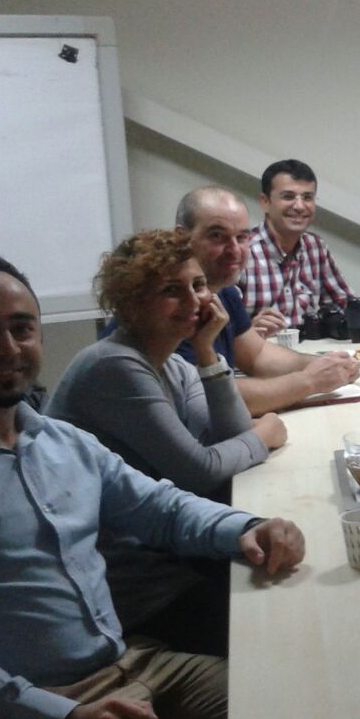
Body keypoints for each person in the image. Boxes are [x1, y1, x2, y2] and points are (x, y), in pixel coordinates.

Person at [0, 251, 305, 719]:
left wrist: (248, 527)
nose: (8, 348)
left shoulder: (62, 442)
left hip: (133, 665)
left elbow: (161, 508)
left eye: (22, 328)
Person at [47, 229, 287, 652]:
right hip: (124, 579)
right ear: (133, 304)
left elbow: (231, 438)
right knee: (267, 629)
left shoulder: (174, 364)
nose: (195, 301)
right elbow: (201, 471)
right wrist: (263, 435)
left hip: (169, 546)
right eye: (173, 291)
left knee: (282, 581)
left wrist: (208, 352)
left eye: (199, 285)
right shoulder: (113, 365)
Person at [174, 186, 360, 415]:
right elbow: (204, 395)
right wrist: (310, 381)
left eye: (242, 237)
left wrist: (329, 365)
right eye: (217, 236)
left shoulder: (224, 291)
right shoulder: (172, 302)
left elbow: (257, 356)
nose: (234, 250)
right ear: (181, 238)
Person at [240, 158, 355, 327]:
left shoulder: (315, 247)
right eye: (288, 197)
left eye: (307, 197)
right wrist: (248, 330)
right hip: (259, 343)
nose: (300, 206)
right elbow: (222, 328)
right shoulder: (242, 252)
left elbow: (346, 304)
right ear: (265, 202)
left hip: (308, 343)